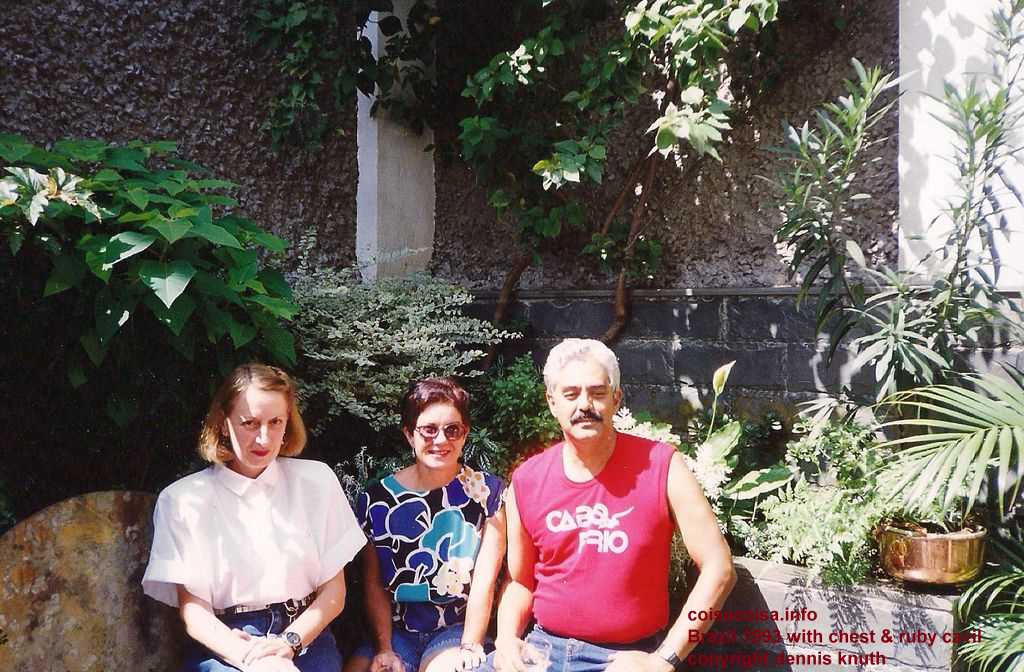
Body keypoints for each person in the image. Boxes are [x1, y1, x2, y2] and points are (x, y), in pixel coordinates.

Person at [487, 339, 736, 672]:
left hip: (625, 659)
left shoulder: (663, 466)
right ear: (552, 402)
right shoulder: (527, 479)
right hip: (543, 649)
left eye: (597, 393)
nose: (585, 404)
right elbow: (519, 582)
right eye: (571, 394)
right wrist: (506, 641)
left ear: (616, 399)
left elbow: (720, 568)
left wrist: (665, 659)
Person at [142, 363, 366, 672]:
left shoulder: (316, 481)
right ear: (223, 424)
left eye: (275, 422)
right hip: (226, 645)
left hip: (305, 639)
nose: (264, 439)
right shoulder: (182, 500)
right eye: (250, 423)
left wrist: (289, 642)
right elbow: (194, 613)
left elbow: (334, 593)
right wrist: (254, 659)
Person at [345, 377, 506, 672]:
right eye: (429, 430)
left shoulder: (487, 493)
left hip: (455, 629)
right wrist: (384, 648)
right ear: (410, 434)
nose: (441, 440)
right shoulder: (376, 500)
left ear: (465, 434)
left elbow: (484, 581)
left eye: (452, 430)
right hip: (394, 630)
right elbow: (374, 583)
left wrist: (470, 644)